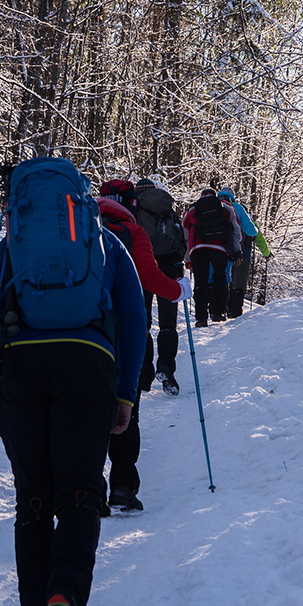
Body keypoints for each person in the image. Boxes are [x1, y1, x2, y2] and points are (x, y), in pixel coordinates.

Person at [0, 158, 146, 606]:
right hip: (88, 367)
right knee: (81, 492)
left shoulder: (11, 248)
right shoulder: (105, 245)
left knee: (34, 500)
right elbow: (134, 319)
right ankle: (65, 594)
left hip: (19, 370)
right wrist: (125, 395)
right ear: (80, 202)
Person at [97, 179, 192, 513]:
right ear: (132, 204)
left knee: (88, 410)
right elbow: (149, 277)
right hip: (126, 332)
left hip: (85, 334)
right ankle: (122, 488)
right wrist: (179, 290)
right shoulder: (132, 232)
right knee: (127, 409)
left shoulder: (78, 228)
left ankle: (89, 489)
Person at [133, 177, 188, 394]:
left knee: (143, 323)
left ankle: (144, 375)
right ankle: (166, 368)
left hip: (142, 267)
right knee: (167, 322)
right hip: (169, 267)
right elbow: (181, 238)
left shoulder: (135, 208)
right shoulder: (168, 207)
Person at [182, 187, 243, 326]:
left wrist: (187, 258)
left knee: (200, 281)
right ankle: (218, 312)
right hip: (220, 248)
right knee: (220, 277)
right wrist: (236, 250)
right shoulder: (225, 207)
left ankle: (201, 317)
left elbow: (184, 232)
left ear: (201, 196)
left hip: (198, 248)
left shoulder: (192, 209)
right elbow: (236, 229)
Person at [215, 186, 272, 318]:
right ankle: (236, 311)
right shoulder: (249, 220)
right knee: (239, 283)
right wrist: (267, 254)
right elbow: (259, 239)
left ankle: (223, 308)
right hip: (244, 255)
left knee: (227, 280)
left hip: (224, 252)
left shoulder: (218, 210)